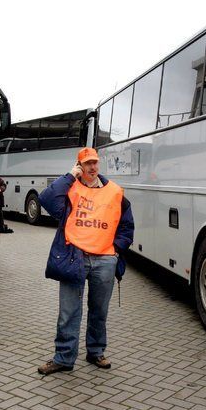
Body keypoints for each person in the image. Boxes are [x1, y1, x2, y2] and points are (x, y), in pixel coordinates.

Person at [37, 147, 134, 375]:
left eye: (95, 163)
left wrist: (115, 249)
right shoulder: (71, 189)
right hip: (75, 258)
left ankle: (96, 352)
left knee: (99, 311)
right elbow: (46, 200)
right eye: (86, 163)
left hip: (105, 260)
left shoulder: (114, 191)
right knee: (68, 312)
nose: (92, 167)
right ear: (79, 166)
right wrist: (70, 176)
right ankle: (63, 357)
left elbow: (127, 226)